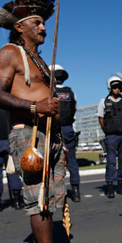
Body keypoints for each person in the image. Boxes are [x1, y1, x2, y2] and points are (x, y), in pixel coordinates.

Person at [0, 0, 77, 243]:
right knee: (38, 196)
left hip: (52, 136)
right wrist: (34, 106)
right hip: (28, 135)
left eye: (44, 23)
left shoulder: (38, 59)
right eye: (37, 23)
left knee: (52, 196)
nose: (43, 28)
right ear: (19, 27)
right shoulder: (8, 54)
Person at [97, 73, 122, 198]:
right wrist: (107, 131)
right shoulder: (103, 102)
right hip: (111, 136)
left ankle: (120, 184)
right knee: (111, 161)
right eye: (115, 87)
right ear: (110, 88)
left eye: (119, 87)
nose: (117, 89)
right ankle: (110, 186)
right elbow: (101, 119)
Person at [52, 64, 81, 202]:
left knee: (53, 162)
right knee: (72, 162)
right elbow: (74, 110)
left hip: (53, 129)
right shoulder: (71, 92)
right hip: (68, 128)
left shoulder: (48, 92)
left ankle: (56, 193)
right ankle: (76, 192)